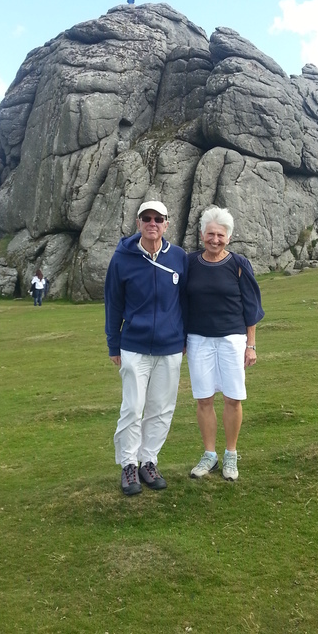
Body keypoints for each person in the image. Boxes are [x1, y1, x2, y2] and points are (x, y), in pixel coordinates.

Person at [105, 200, 188, 496]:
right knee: (132, 407)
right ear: (139, 223)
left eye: (158, 219)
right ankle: (128, 464)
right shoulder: (122, 259)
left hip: (170, 346)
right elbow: (113, 304)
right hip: (134, 345)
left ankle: (148, 461)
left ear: (167, 224)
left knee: (162, 407)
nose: (152, 223)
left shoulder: (178, 257)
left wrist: (184, 339)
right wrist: (113, 343)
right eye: (146, 218)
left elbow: (185, 302)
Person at [186, 207, 264, 482]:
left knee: (233, 398)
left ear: (228, 237)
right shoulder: (190, 262)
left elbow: (251, 307)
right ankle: (210, 455)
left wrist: (251, 345)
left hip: (232, 339)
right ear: (202, 235)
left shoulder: (239, 264)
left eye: (220, 235)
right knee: (204, 398)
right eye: (210, 234)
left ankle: (230, 454)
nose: (215, 239)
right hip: (198, 339)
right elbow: (182, 301)